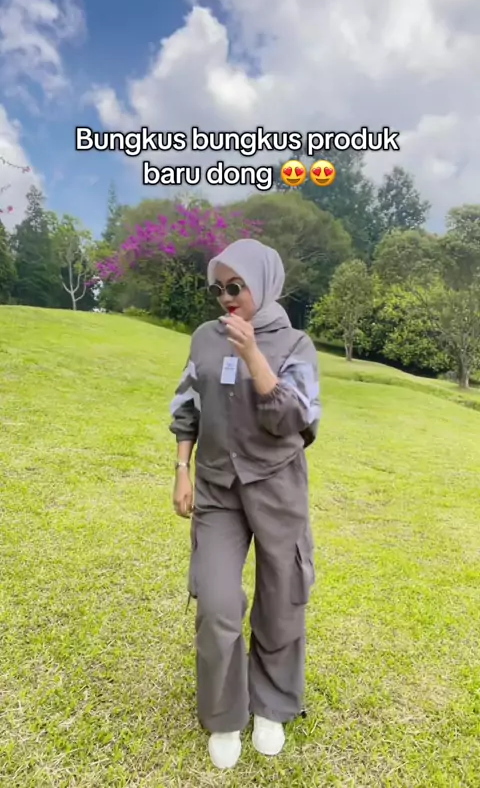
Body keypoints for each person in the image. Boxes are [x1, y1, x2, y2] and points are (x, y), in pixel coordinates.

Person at [169, 238, 320, 770]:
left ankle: (273, 703)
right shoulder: (204, 339)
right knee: (216, 604)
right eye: (218, 289)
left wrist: (253, 353)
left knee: (280, 602)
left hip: (277, 489)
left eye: (236, 286)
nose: (226, 298)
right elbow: (187, 406)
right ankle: (224, 714)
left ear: (264, 283)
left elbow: (295, 419)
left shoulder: (296, 344)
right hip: (217, 488)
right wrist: (182, 469)